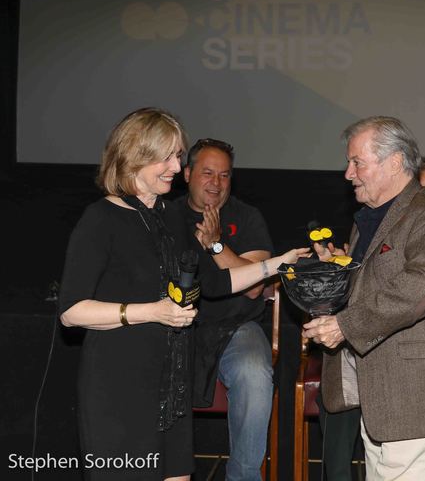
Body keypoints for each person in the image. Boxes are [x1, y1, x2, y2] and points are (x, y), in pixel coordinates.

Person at [58, 108, 309, 481]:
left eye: (177, 156)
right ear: (135, 155)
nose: (176, 167)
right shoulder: (101, 219)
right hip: (119, 386)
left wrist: (279, 264)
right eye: (169, 156)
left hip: (171, 388)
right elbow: (72, 312)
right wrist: (152, 312)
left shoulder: (169, 215)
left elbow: (215, 282)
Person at [304, 116, 425, 481]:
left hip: (421, 393)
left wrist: (345, 325)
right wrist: (341, 271)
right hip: (386, 395)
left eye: (357, 162)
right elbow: (380, 280)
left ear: (394, 162)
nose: (348, 173)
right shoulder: (373, 218)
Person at [174, 138, 274, 481]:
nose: (216, 183)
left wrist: (216, 243)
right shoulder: (165, 216)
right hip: (175, 326)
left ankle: (243, 477)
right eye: (207, 173)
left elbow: (255, 288)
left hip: (236, 327)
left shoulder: (246, 217)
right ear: (186, 174)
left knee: (254, 371)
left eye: (225, 175)